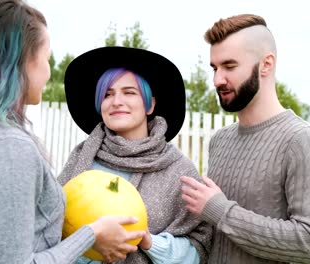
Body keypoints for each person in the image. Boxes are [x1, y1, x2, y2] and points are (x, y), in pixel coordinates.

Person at [0, 1, 145, 263]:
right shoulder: (7, 148)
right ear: (23, 61)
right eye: (46, 57)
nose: (49, 72)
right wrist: (91, 234)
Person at [180, 14, 310, 264]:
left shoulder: (300, 140)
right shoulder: (220, 141)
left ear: (266, 64)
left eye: (229, 66)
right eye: (214, 68)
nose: (218, 80)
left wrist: (220, 211)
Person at [58, 46, 213, 264]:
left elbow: (198, 248)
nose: (116, 101)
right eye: (108, 94)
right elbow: (50, 226)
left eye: (129, 92)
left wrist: (149, 241)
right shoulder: (82, 157)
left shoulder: (178, 170)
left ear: (150, 104)